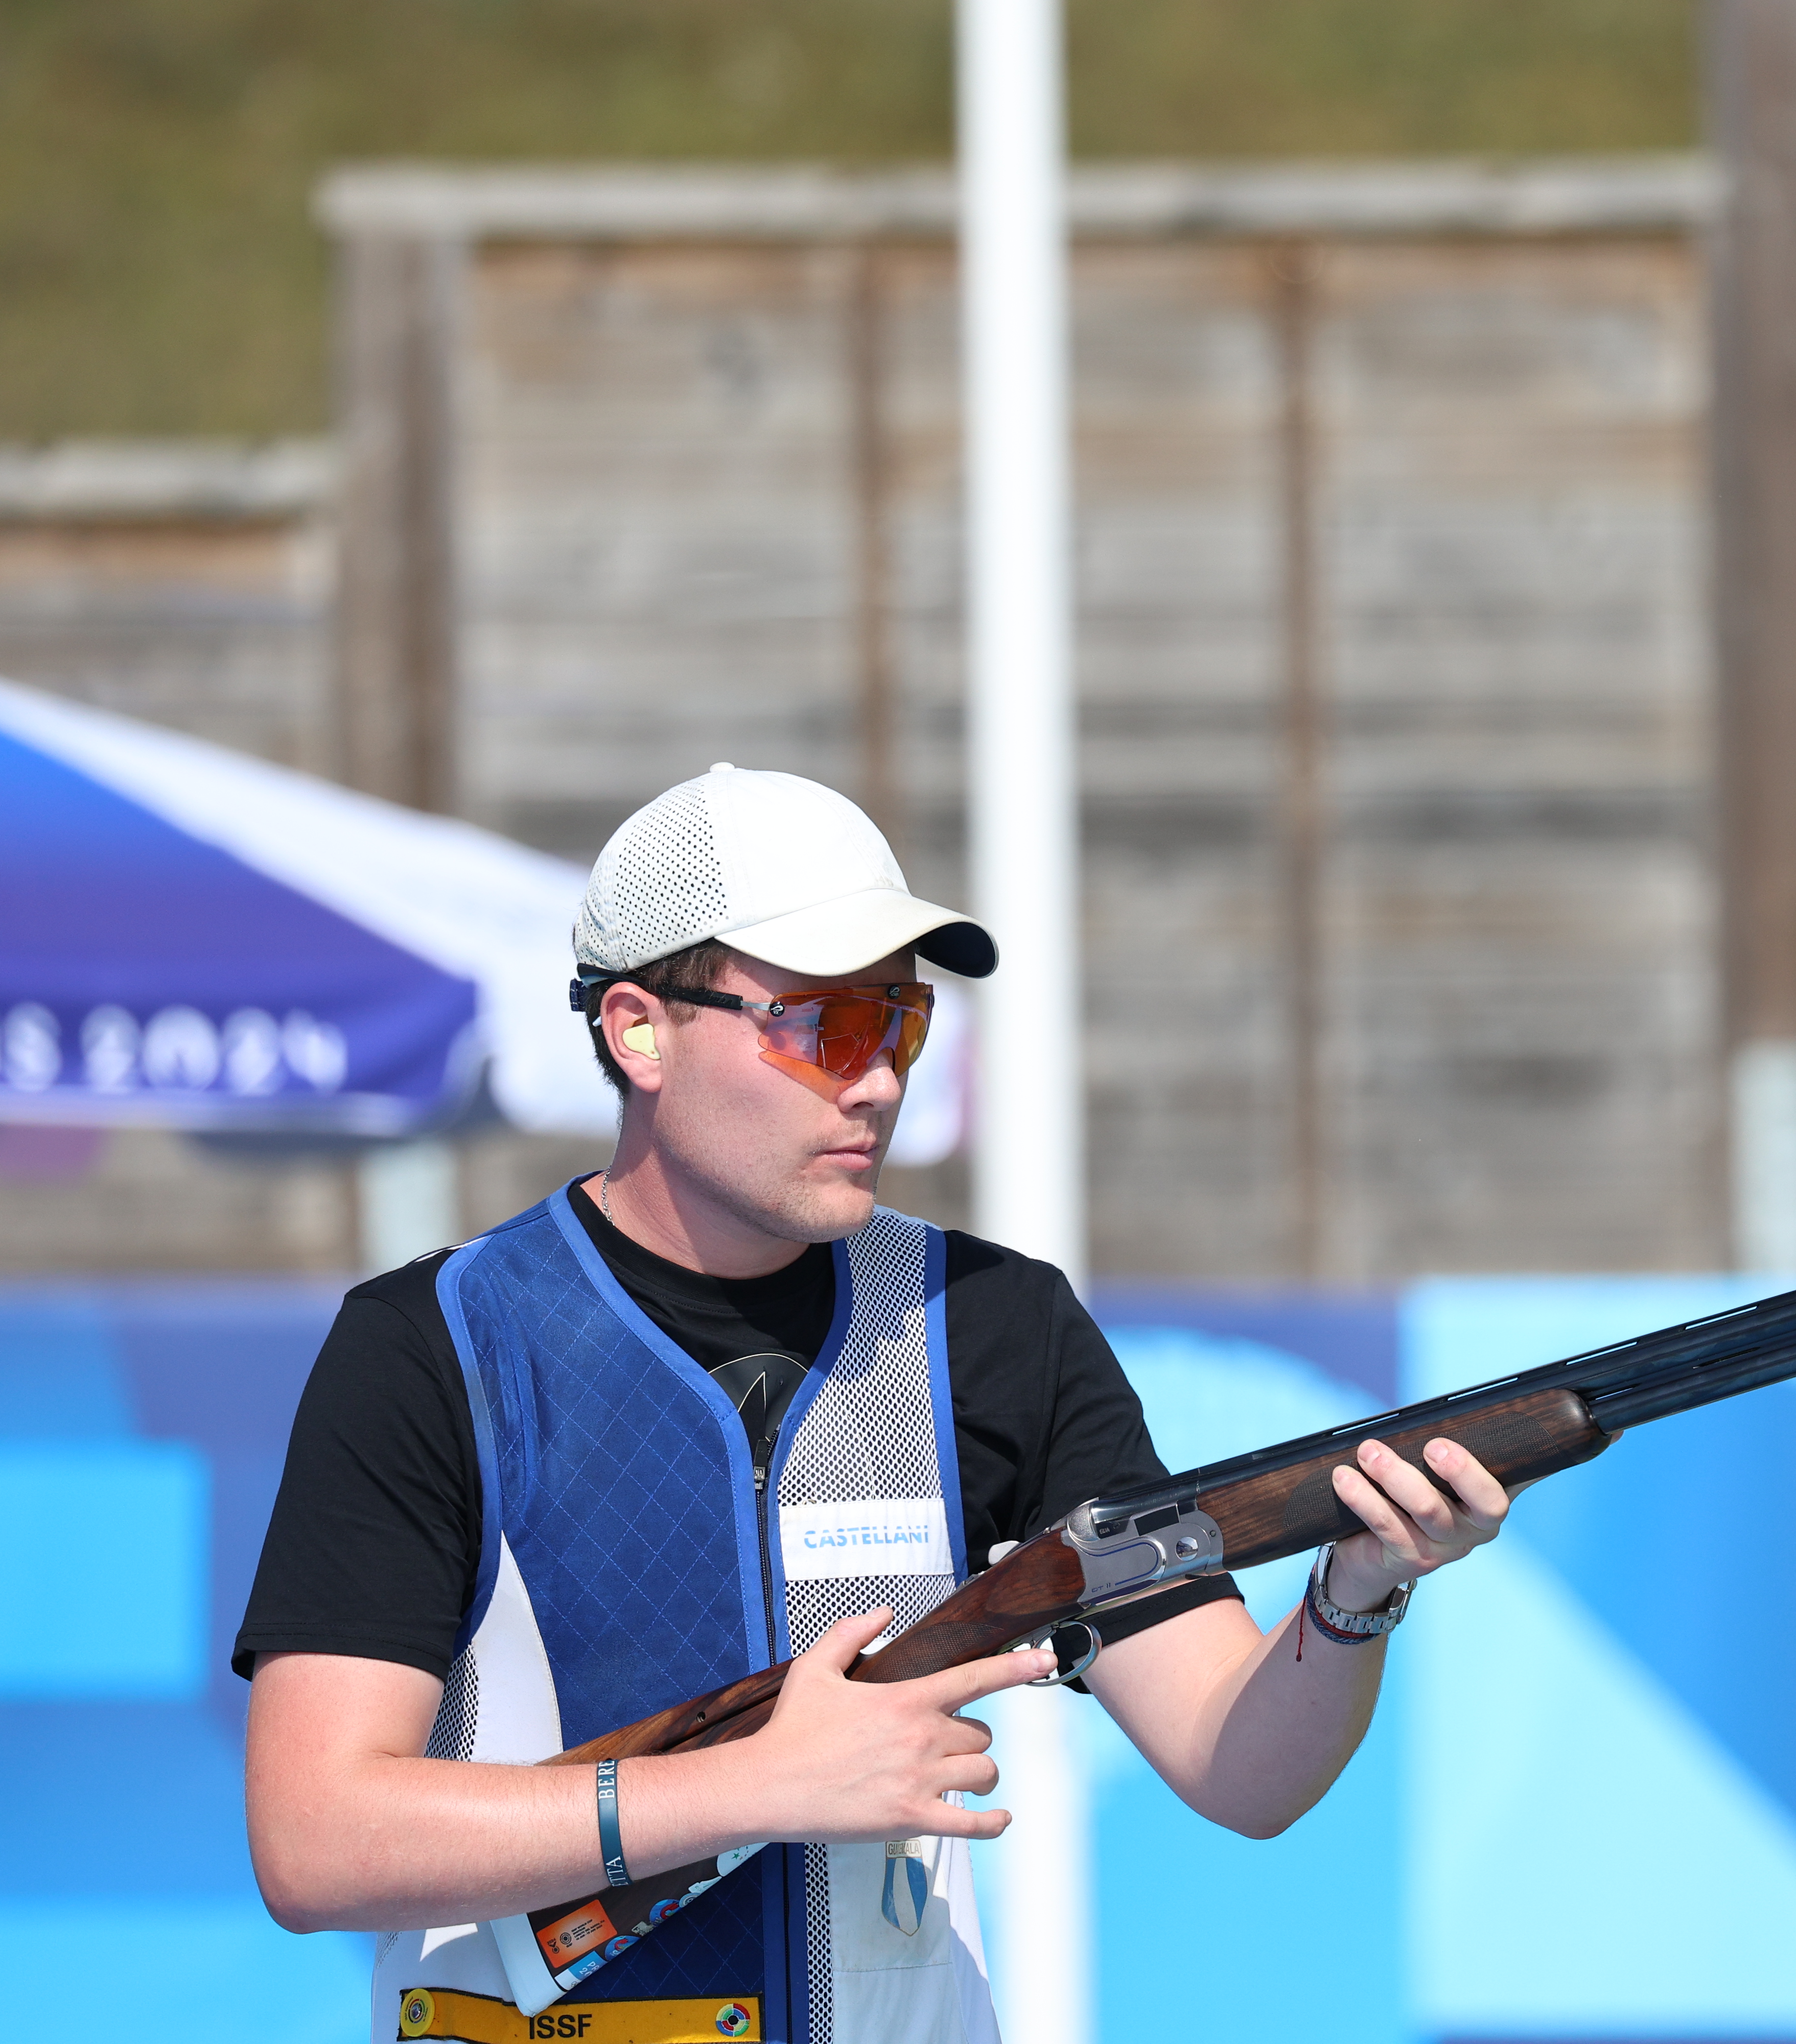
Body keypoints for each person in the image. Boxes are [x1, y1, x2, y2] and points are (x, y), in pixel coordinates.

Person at [236, 764, 1511, 2044]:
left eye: (898, 1020)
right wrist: (753, 1785)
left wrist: (1357, 1591)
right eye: (820, 1027)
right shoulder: (434, 1342)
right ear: (639, 1029)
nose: (878, 1081)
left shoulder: (996, 1323)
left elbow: (1241, 1767)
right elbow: (315, 1839)